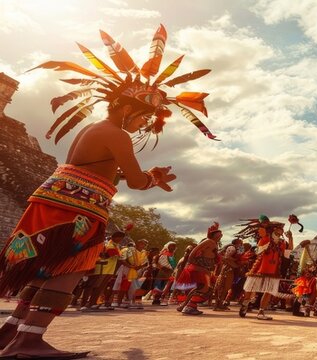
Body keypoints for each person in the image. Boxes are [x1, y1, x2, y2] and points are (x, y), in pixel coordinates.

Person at [0, 24, 214, 358]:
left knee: (46, 266)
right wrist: (153, 178)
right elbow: (137, 180)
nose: (143, 126)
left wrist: (145, 176)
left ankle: (11, 332)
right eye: (144, 119)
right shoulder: (117, 134)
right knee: (69, 267)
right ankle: (28, 341)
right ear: (128, 109)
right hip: (78, 208)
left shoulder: (95, 128)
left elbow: (112, 175)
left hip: (60, 198)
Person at [237, 217, 292, 320]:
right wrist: (264, 225)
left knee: (269, 291)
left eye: (282, 228)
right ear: (273, 229)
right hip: (260, 268)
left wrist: (291, 238)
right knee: (251, 288)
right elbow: (260, 247)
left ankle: (261, 312)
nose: (281, 230)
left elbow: (287, 253)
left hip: (273, 270)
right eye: (279, 227)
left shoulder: (282, 243)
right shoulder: (265, 238)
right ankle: (245, 304)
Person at [173, 223, 222, 315]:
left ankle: (186, 305)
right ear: (213, 235)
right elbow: (193, 252)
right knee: (204, 287)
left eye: (221, 234)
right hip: (199, 267)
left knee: (202, 287)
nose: (221, 236)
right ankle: (189, 306)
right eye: (218, 234)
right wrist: (193, 263)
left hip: (203, 268)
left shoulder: (213, 243)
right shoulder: (208, 241)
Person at [78, 232, 124, 311]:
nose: (120, 240)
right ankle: (85, 304)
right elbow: (104, 255)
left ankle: (92, 303)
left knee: (100, 288)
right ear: (114, 237)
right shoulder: (109, 245)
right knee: (93, 286)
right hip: (102, 269)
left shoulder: (116, 246)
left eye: (121, 238)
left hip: (109, 269)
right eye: (119, 238)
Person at [212, 238, 242, 311]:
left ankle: (219, 304)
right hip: (228, 270)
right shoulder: (232, 248)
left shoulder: (234, 249)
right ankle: (218, 304)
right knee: (224, 287)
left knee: (223, 287)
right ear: (237, 243)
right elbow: (226, 258)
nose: (241, 245)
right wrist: (235, 263)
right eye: (240, 243)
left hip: (227, 269)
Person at [151, 242, 177, 306]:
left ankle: (162, 300)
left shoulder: (172, 255)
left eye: (174, 246)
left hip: (169, 272)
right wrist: (162, 268)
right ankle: (156, 299)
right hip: (162, 271)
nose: (173, 248)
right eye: (171, 246)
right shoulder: (162, 253)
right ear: (167, 246)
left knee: (166, 286)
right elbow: (156, 262)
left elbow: (172, 264)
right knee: (159, 284)